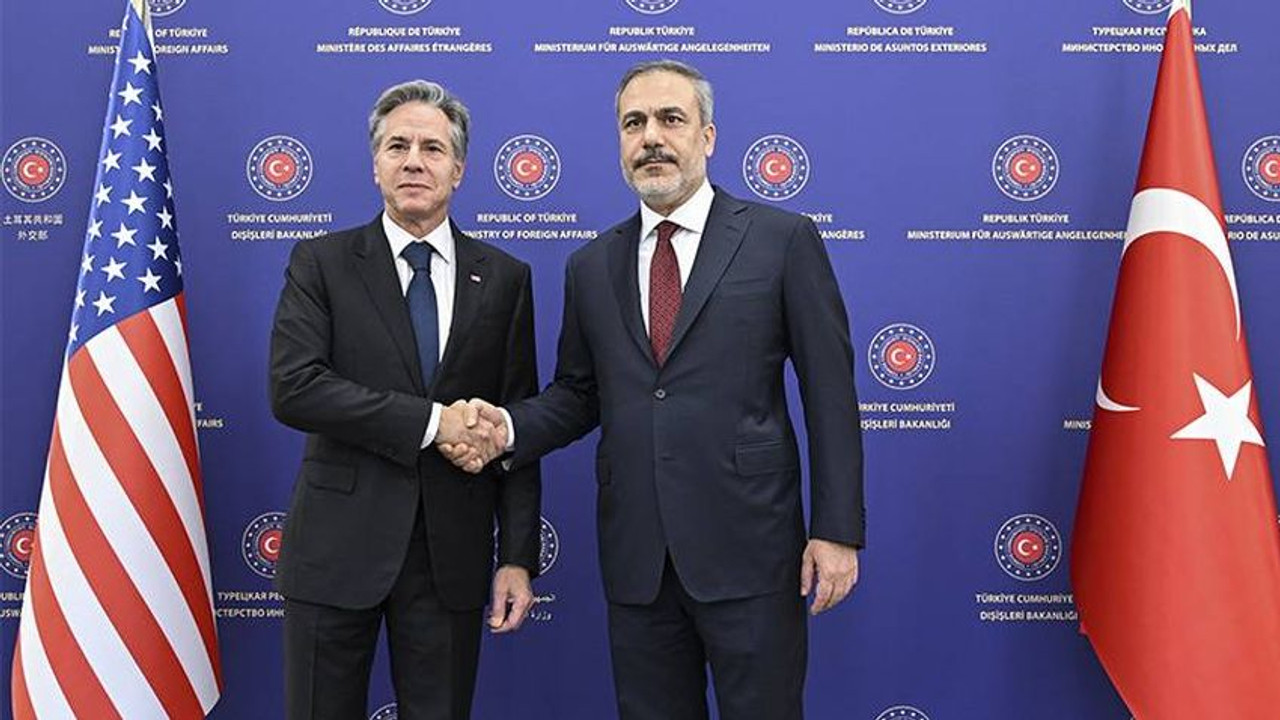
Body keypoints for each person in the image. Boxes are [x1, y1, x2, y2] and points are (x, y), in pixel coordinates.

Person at [445, 59, 865, 720]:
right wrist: (508, 428)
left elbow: (830, 393)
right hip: (638, 559)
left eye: (671, 119)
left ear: (708, 136)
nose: (651, 138)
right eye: (633, 123)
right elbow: (579, 394)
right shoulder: (591, 265)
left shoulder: (781, 241)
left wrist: (837, 530)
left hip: (752, 551)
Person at [268, 79, 541, 720]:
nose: (414, 161)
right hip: (334, 553)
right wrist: (433, 422)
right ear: (376, 165)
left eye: (432, 148)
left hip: (450, 559)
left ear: (459, 169)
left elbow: (516, 426)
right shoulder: (322, 262)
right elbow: (294, 387)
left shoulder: (505, 278)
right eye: (398, 146)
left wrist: (517, 558)